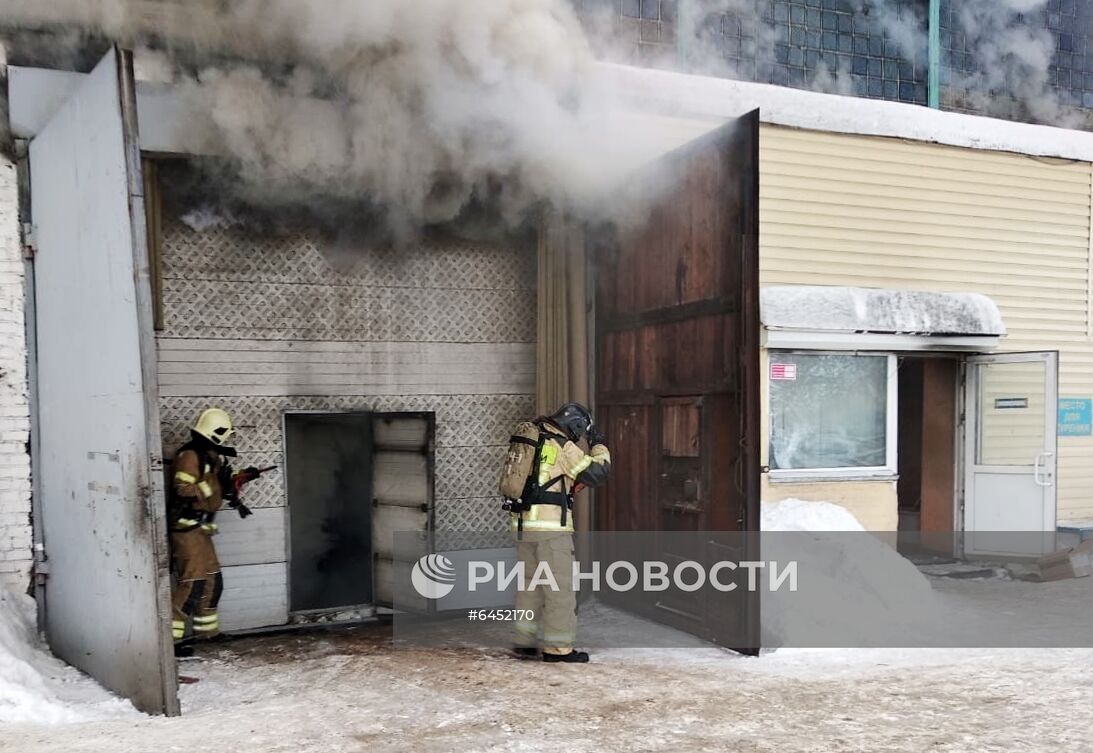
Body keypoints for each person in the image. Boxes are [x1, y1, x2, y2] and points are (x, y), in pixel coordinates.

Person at [508, 402, 610, 663]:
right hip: (551, 531)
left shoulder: (534, 439)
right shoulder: (562, 446)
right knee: (560, 590)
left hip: (523, 527)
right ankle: (558, 649)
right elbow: (598, 473)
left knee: (530, 586)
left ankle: (524, 643)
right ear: (574, 425)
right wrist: (599, 445)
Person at [167, 408, 247, 650]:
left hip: (202, 531)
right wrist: (212, 483)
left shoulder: (211, 457)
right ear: (215, 432)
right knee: (192, 584)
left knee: (213, 581)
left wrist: (234, 481)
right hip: (186, 530)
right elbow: (183, 491)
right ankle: (171, 641)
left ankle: (207, 633)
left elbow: (217, 489)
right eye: (225, 434)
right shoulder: (190, 456)